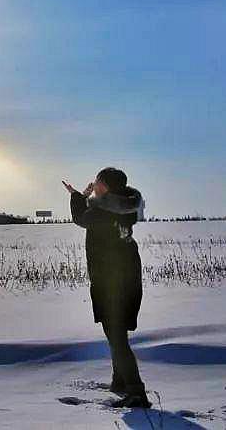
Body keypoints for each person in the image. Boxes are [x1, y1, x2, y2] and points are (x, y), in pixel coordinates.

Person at [63, 167, 149, 408]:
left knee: (117, 336)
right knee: (116, 333)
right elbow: (95, 211)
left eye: (99, 182)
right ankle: (119, 382)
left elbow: (81, 218)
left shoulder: (103, 212)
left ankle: (136, 392)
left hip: (112, 282)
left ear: (107, 187)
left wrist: (78, 196)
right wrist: (87, 197)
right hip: (128, 278)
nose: (95, 184)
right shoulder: (122, 207)